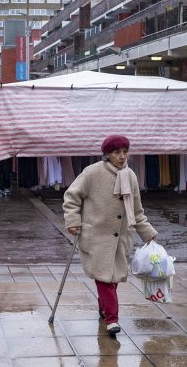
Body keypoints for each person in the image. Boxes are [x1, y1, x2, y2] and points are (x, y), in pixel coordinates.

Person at [63, 135, 158, 337]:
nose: (122, 157)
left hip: (121, 238)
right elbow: (72, 197)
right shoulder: (92, 173)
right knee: (105, 281)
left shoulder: (130, 176)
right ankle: (112, 319)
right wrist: (73, 220)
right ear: (107, 155)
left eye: (125, 152)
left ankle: (104, 307)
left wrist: (148, 233)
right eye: (117, 153)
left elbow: (137, 210)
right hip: (96, 237)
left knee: (111, 280)